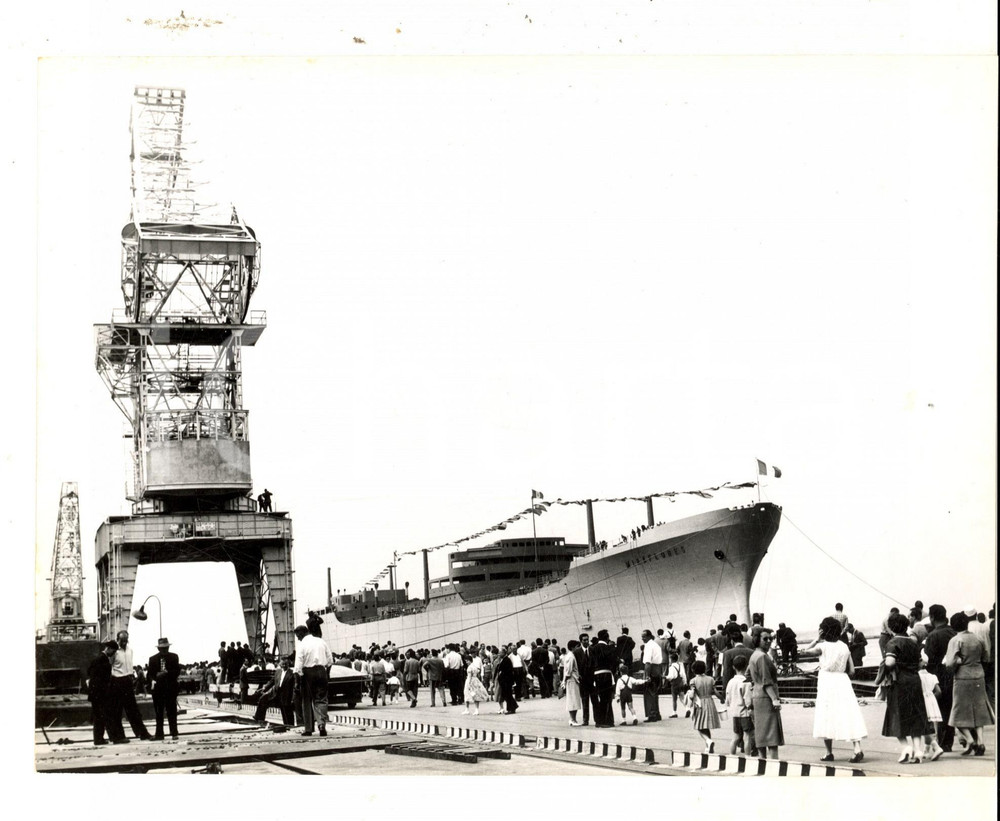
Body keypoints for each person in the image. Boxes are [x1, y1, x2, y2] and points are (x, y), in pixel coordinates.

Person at [799, 617, 866, 763]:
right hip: (842, 680)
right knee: (849, 712)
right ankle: (857, 748)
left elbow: (804, 652)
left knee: (826, 714)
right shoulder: (844, 646)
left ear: (823, 630)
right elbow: (852, 671)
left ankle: (829, 752)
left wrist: (817, 638)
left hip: (827, 681)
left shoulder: (822, 647)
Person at [881, 611, 929, 763]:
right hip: (915, 681)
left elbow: (889, 662)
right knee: (915, 716)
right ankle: (918, 751)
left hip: (899, 682)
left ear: (891, 627)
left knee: (896, 715)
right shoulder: (912, 643)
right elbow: (921, 663)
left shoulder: (892, 643)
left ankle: (906, 747)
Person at [943, 611, 993, 757]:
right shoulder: (978, 638)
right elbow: (986, 656)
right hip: (978, 675)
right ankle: (981, 741)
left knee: (957, 711)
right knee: (979, 710)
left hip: (962, 677)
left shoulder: (955, 640)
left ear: (953, 625)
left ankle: (970, 740)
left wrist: (958, 662)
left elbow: (950, 663)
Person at [922, 604, 957, 753]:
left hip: (939, 675)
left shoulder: (933, 635)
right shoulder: (953, 632)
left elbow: (928, 660)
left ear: (932, 617)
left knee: (942, 710)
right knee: (952, 707)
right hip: (954, 674)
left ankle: (943, 743)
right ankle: (950, 740)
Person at [109, 630, 153, 741]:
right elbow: (109, 667)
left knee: (133, 710)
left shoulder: (130, 650)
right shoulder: (114, 652)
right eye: (121, 640)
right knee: (117, 711)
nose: (124, 643)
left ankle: (142, 733)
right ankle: (119, 736)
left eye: (125, 640)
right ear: (117, 639)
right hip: (117, 681)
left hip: (128, 680)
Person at [747, 630, 784, 759]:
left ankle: (762, 765)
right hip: (766, 698)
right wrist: (775, 699)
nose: (769, 641)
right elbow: (766, 681)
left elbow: (748, 675)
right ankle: (774, 766)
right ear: (757, 640)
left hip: (757, 696)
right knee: (772, 737)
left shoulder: (754, 655)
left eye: (770, 638)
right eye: (765, 639)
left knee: (762, 736)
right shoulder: (762, 656)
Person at [292, 623, 332, 737]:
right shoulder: (321, 641)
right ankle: (321, 725)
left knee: (307, 700)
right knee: (321, 699)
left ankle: (308, 729)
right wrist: (326, 673)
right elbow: (330, 660)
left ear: (302, 633)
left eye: (297, 636)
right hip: (322, 671)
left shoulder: (302, 645)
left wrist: (296, 682)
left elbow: (298, 665)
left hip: (308, 673)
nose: (298, 638)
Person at [88, 640, 123, 745]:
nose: (114, 653)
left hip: (96, 694)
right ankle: (115, 738)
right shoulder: (102, 660)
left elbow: (89, 672)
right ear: (108, 649)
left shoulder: (98, 659)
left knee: (98, 717)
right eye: (113, 651)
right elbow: (103, 679)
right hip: (101, 694)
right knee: (107, 716)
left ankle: (98, 739)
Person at [147, 637, 181, 740]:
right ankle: (159, 734)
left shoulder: (174, 657)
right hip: (158, 690)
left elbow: (177, 672)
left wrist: (167, 673)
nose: (165, 650)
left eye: (166, 648)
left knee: (172, 712)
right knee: (159, 713)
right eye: (162, 648)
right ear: (158, 649)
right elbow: (150, 675)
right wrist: (155, 677)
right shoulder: (152, 659)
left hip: (170, 688)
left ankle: (174, 732)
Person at [724, 654, 755, 756]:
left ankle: (731, 755)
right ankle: (747, 756)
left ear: (733, 667)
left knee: (736, 737)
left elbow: (727, 699)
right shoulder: (746, 682)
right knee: (747, 737)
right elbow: (748, 701)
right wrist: (752, 711)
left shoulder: (730, 682)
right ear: (746, 666)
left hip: (735, 713)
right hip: (745, 714)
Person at [687, 660, 721, 753]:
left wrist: (690, 696)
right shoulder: (711, 679)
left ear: (693, 670)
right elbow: (715, 692)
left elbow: (691, 695)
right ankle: (708, 746)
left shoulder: (693, 681)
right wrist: (722, 698)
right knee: (706, 725)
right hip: (710, 702)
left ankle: (708, 741)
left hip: (700, 703)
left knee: (699, 726)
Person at [917, 657, 946, 761]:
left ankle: (935, 747)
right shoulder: (932, 676)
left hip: (922, 700)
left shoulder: (917, 676)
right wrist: (931, 698)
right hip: (932, 701)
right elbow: (938, 692)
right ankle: (927, 750)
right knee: (932, 725)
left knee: (923, 725)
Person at [254, 656, 295, 725]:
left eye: (286, 664)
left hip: (285, 694)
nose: (284, 665)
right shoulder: (278, 671)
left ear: (288, 664)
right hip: (275, 692)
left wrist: (292, 698)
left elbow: (293, 687)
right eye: (283, 664)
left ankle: (289, 725)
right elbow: (272, 681)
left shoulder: (292, 673)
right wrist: (265, 688)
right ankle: (259, 718)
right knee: (263, 699)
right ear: (280, 664)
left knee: (286, 710)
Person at [590, 630, 618, 728]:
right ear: (607, 638)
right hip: (606, 674)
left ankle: (599, 721)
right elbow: (614, 662)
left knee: (599, 698)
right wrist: (612, 673)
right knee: (607, 699)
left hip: (596, 675)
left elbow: (590, 664)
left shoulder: (593, 648)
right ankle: (608, 721)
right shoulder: (609, 648)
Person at [640, 629, 662, 722]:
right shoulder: (655, 644)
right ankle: (657, 713)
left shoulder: (648, 646)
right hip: (658, 669)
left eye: (644, 636)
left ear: (649, 636)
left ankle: (652, 714)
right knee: (655, 693)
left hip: (651, 669)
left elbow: (647, 662)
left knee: (649, 693)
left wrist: (647, 675)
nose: (642, 639)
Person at [573, 633, 594, 726]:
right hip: (583, 680)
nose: (586, 641)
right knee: (585, 701)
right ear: (581, 641)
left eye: (587, 639)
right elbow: (575, 666)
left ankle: (597, 719)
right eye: (584, 640)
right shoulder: (577, 652)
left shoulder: (593, 650)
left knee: (595, 700)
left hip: (593, 679)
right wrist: (578, 676)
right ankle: (586, 720)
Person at [462, 651, 490, 715]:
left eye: (467, 661)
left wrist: (468, 684)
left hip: (470, 680)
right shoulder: (474, 666)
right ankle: (476, 709)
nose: (466, 662)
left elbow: (469, 677)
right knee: (476, 695)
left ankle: (467, 709)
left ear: (470, 660)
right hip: (476, 680)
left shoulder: (469, 667)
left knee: (467, 694)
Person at [614, 662, 639, 726]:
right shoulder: (630, 678)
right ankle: (634, 718)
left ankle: (624, 720)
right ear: (627, 671)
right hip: (628, 694)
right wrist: (644, 681)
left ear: (621, 672)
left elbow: (617, 689)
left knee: (623, 708)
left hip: (622, 695)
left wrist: (617, 697)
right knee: (631, 707)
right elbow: (636, 682)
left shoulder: (619, 680)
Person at [495, 645, 518, 714]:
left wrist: (501, 673)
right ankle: (513, 706)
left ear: (504, 653)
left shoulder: (507, 660)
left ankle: (511, 709)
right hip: (504, 681)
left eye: (500, 653)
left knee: (508, 695)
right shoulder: (503, 660)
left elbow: (508, 671)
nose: (499, 654)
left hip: (506, 681)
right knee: (507, 695)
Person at [665, 652, 688, 718]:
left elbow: (671, 676)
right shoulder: (680, 665)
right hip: (680, 683)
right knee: (682, 698)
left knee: (674, 699)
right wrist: (685, 682)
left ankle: (674, 712)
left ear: (671, 659)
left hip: (674, 684)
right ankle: (687, 709)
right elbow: (683, 675)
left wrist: (665, 677)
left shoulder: (671, 667)